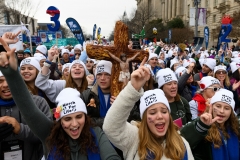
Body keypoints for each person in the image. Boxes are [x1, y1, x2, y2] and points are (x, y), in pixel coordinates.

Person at [0, 36, 121, 160]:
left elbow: (111, 156)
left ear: (85, 116)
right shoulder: (49, 134)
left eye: (79, 116)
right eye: (67, 119)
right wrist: (12, 76)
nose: (74, 124)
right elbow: (29, 110)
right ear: (59, 120)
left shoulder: (96, 133)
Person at [103, 57, 194, 160]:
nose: (160, 116)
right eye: (152, 112)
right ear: (145, 118)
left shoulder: (182, 143)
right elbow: (110, 127)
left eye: (164, 111)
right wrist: (132, 88)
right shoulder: (134, 139)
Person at [181, 89, 239, 160]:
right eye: (218, 106)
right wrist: (201, 126)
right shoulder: (202, 126)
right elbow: (182, 141)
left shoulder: (235, 129)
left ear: (231, 112)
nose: (221, 111)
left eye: (226, 108)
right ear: (211, 107)